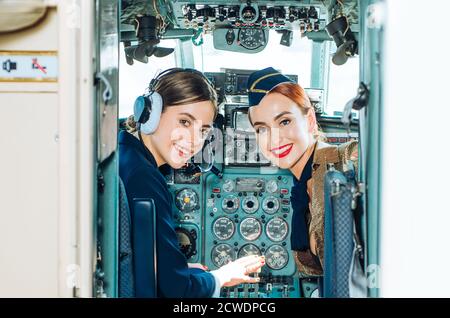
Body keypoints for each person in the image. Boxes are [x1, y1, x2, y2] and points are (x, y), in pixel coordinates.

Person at [120, 68, 265, 297]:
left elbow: (137, 257)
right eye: (185, 122)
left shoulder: (124, 155)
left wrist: (178, 270)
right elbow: (177, 292)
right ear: (150, 112)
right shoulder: (144, 178)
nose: (194, 141)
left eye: (204, 130)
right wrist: (222, 276)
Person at [246, 67, 358, 276]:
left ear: (310, 120)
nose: (273, 139)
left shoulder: (345, 160)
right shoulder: (300, 189)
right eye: (262, 128)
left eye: (284, 121)